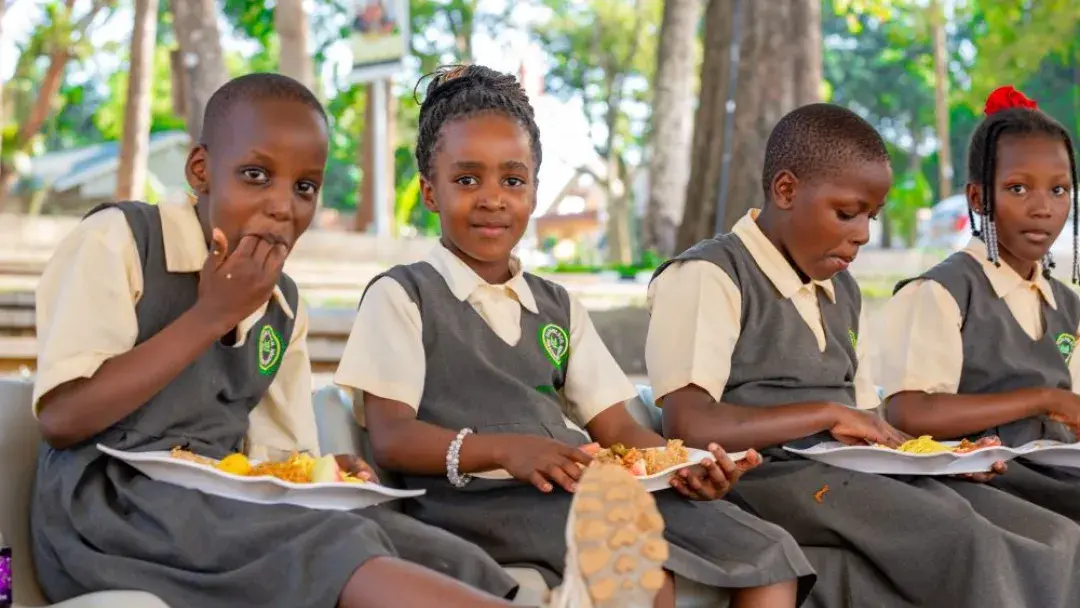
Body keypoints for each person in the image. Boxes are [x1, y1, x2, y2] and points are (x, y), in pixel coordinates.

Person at [29, 72, 617, 608]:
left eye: (306, 187)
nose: (283, 206)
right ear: (200, 170)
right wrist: (213, 313)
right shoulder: (123, 240)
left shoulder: (283, 305)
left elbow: (274, 457)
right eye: (255, 175)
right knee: (334, 543)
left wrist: (320, 469)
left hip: (222, 503)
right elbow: (63, 416)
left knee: (426, 544)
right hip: (111, 511)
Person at [335, 65, 816, 608]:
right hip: (477, 502)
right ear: (429, 191)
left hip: (576, 488)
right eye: (467, 180)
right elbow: (391, 437)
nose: (493, 198)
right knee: (640, 570)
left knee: (769, 553)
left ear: (535, 192)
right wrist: (503, 450)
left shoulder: (557, 307)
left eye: (512, 181)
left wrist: (686, 465)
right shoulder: (404, 295)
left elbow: (613, 426)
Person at [646, 101, 1080, 608]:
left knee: (1048, 534)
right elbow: (691, 425)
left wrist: (932, 460)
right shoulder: (711, 274)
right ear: (786, 190)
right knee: (962, 536)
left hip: (846, 472)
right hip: (764, 474)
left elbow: (870, 424)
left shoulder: (842, 291)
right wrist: (830, 413)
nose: (863, 235)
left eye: (871, 217)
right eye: (847, 214)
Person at [878, 85, 1080, 521]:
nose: (1043, 208)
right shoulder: (942, 292)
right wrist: (1043, 400)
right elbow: (909, 412)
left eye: (1059, 190)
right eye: (1018, 188)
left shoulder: (1066, 305)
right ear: (977, 198)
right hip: (981, 483)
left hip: (1055, 474)